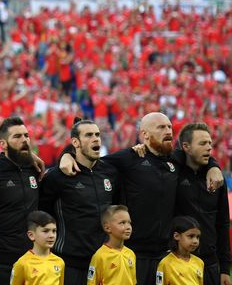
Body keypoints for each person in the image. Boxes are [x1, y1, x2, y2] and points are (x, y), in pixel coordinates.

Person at [59, 112, 224, 285]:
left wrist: (214, 166)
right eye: (161, 127)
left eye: (169, 126)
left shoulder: (176, 159)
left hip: (166, 256)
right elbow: (90, 159)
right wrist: (67, 154)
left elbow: (200, 155)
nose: (168, 131)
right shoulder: (129, 157)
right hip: (134, 254)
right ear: (144, 134)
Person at [39, 119, 118, 285]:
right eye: (89, 135)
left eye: (97, 134)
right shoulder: (57, 177)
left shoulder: (110, 172)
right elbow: (41, 214)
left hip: (104, 262)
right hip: (70, 264)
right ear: (75, 142)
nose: (96, 138)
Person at [0, 116, 41, 285]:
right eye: (17, 136)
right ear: (3, 144)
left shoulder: (34, 169)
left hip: (31, 261)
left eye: (26, 135)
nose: (24, 140)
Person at [174, 123, 231, 285]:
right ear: (186, 146)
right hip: (179, 264)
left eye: (210, 144)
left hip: (210, 264)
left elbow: (223, 223)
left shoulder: (217, 179)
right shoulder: (173, 172)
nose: (209, 148)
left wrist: (225, 268)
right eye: (202, 143)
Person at [9, 211, 65, 285]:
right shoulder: (22, 263)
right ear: (31, 235)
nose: (52, 235)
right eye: (46, 231)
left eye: (54, 231)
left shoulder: (59, 262)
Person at [86, 205, 137, 285]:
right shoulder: (100, 256)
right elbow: (91, 282)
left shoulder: (131, 254)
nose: (128, 227)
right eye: (122, 223)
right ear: (107, 228)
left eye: (129, 222)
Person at [156, 216, 205, 285]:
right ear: (176, 236)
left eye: (197, 237)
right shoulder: (164, 263)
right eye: (191, 236)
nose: (195, 241)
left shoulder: (199, 262)